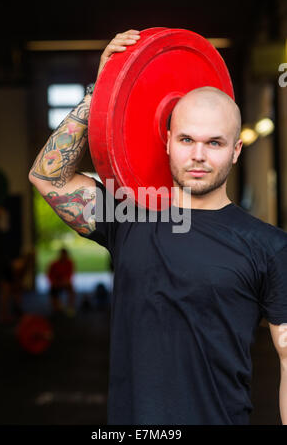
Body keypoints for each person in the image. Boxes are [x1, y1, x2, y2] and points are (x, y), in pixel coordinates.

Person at [29, 30, 287, 425]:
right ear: (166, 141)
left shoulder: (268, 246)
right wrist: (98, 93)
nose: (198, 155)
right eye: (186, 139)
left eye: (214, 143)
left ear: (236, 150)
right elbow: (48, 178)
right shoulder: (128, 217)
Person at [47, 248, 76, 317]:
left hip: (65, 282)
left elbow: (70, 275)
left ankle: (70, 307)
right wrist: (54, 282)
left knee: (71, 289)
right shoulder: (54, 264)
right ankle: (57, 307)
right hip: (56, 283)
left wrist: (65, 281)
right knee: (53, 290)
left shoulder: (69, 263)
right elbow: (50, 275)